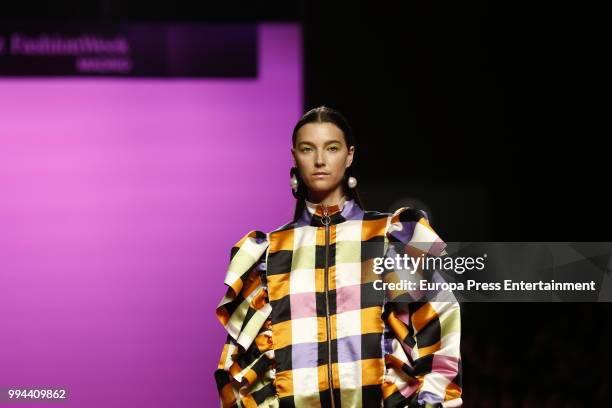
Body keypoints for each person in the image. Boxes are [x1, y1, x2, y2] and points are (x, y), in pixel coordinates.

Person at [214, 106, 462, 407]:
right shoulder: (268, 254)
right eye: (308, 149)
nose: (320, 160)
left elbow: (438, 322)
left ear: (350, 155)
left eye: (332, 148)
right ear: (294, 157)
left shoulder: (389, 237)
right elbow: (243, 366)